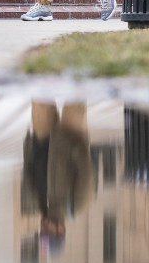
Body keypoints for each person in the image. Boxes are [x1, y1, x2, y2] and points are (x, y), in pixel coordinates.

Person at [21, 100, 95, 252]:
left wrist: (29, 147)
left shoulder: (38, 204)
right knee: (76, 95)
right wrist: (73, 145)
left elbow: (28, 173)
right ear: (60, 230)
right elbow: (85, 170)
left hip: (43, 139)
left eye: (43, 232)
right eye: (48, 232)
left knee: (39, 96)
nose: (43, 228)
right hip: (71, 136)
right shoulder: (77, 205)